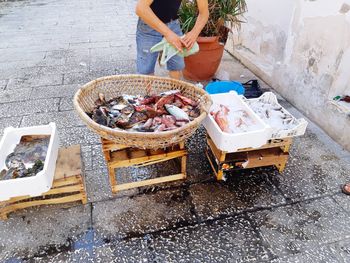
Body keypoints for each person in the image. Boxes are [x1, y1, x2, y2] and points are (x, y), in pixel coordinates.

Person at [135, 0, 209, 79]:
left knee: (177, 66)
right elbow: (141, 8)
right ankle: (148, 92)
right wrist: (168, 33)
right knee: (146, 69)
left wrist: (194, 33)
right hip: (149, 24)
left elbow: (204, 12)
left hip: (173, 24)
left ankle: (175, 90)